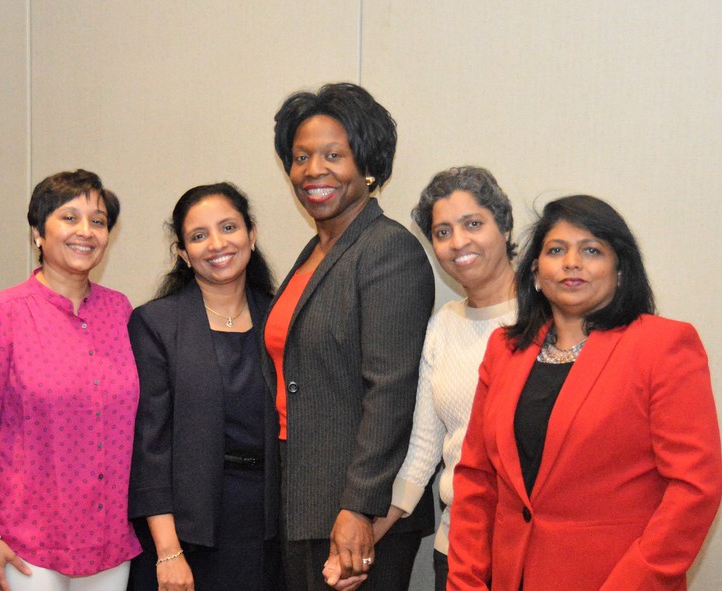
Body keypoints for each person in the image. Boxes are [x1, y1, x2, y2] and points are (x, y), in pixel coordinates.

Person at [447, 195, 722, 590]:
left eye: (591, 250)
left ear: (620, 270)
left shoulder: (663, 346)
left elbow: (694, 489)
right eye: (556, 250)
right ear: (536, 271)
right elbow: (477, 479)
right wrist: (466, 582)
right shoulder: (504, 350)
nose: (571, 262)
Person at [265, 83, 435, 591]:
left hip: (356, 508)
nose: (313, 170)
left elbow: (392, 389)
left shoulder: (387, 250)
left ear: (368, 165)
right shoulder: (315, 252)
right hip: (303, 494)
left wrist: (359, 506)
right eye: (301, 157)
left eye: (333, 155)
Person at [0, 170, 140, 591]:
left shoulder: (120, 311)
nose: (86, 231)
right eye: (69, 218)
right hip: (27, 540)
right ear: (37, 233)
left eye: (98, 221)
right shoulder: (5, 312)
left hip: (109, 538)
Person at [364, 166, 517, 591]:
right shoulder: (443, 325)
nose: (458, 242)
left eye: (473, 224)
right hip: (458, 550)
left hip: (530, 552)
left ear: (504, 227)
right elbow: (423, 449)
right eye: (443, 232)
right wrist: (367, 536)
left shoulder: (550, 319)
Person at [127, 182, 281, 591]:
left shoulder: (282, 318)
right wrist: (168, 551)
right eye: (199, 236)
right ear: (182, 252)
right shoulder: (156, 324)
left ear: (251, 234)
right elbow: (150, 448)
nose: (217, 244)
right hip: (186, 534)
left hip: (270, 528)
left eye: (229, 227)